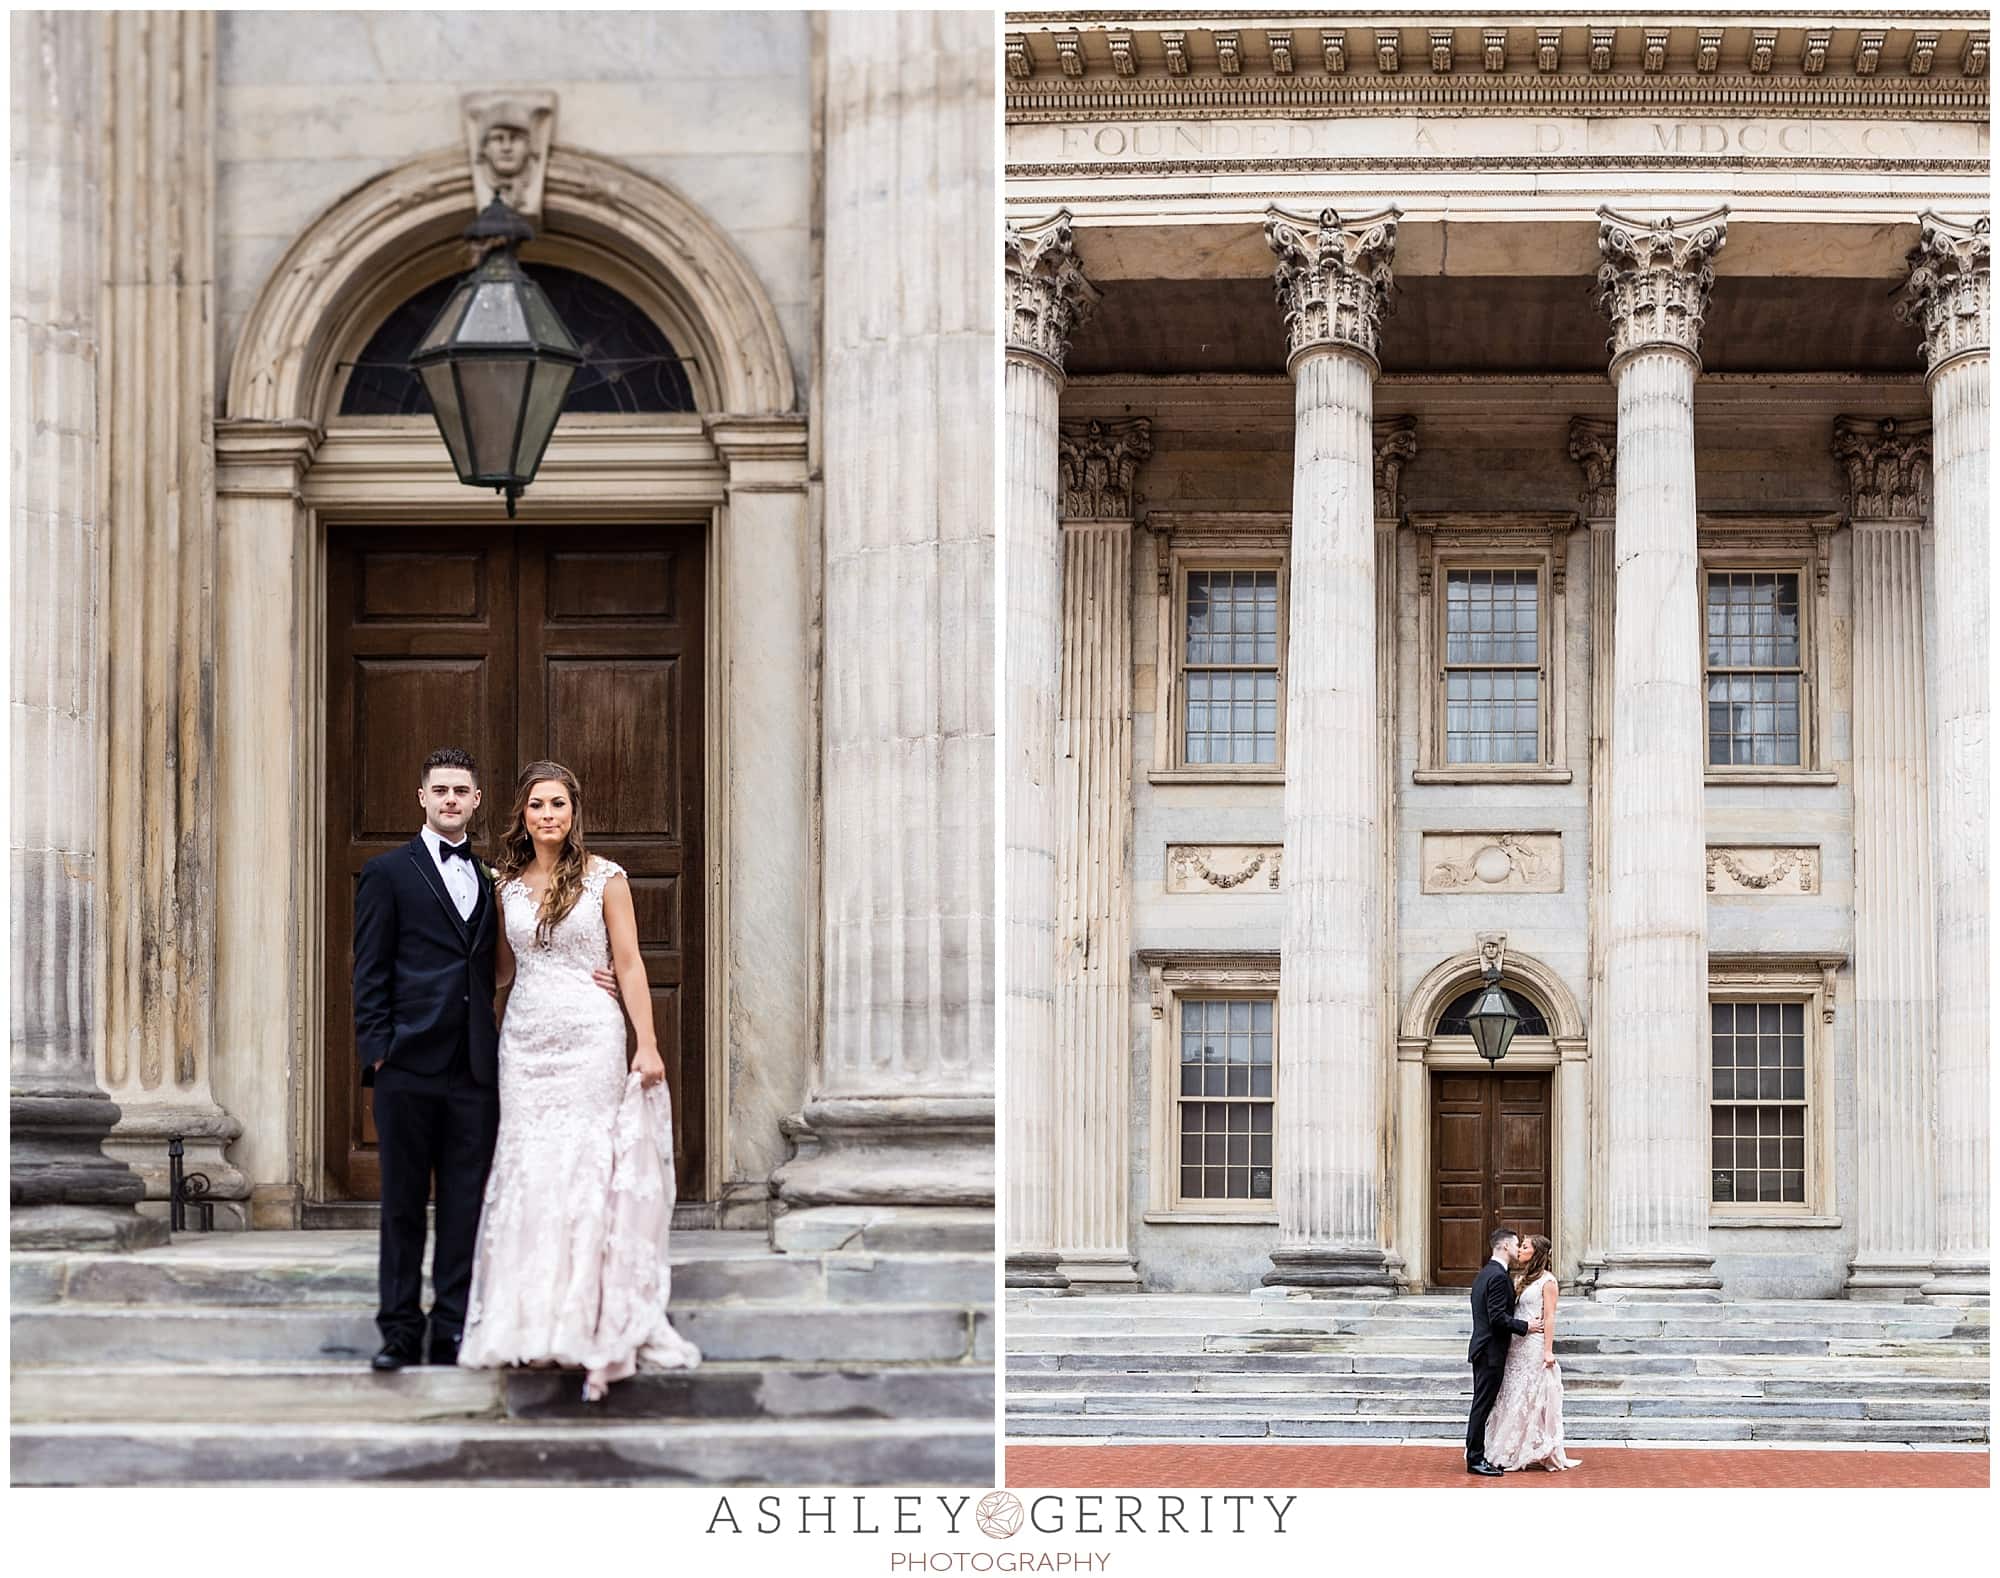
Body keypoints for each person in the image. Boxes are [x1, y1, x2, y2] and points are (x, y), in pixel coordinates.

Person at [458, 760, 700, 1399]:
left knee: (585, 1166)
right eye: (538, 805)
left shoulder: (605, 879)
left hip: (591, 1036)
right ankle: (528, 1320)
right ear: (523, 814)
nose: (548, 815)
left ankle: (584, 1318)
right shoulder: (504, 887)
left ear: (574, 813)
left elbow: (628, 960)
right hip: (527, 1043)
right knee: (530, 1170)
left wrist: (645, 1041)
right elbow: (504, 972)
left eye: (559, 804)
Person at [351, 748, 502, 1371]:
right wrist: (379, 1053)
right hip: (407, 1065)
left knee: (466, 1205)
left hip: (473, 1069)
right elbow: (369, 971)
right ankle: (398, 1331)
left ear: (475, 800)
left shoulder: (492, 878)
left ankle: (452, 1330)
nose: (449, 799)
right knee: (404, 1205)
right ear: (421, 796)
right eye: (439, 789)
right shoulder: (387, 872)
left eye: (461, 790)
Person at [1484, 1234, 1583, 1472]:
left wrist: (1548, 1350)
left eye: (1525, 1246)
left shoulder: (1548, 1282)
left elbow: (1549, 1317)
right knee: (1513, 1392)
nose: (1520, 1249)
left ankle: (1533, 1447)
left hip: (1534, 1345)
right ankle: (1508, 1446)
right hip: (1517, 1345)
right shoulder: (1523, 1278)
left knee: (1528, 1395)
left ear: (1536, 1252)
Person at [1465, 1227, 1540, 1475]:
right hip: (1490, 1351)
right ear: (1505, 1247)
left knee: (1482, 1404)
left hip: (1484, 1349)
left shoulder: (1487, 1273)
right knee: (1482, 1405)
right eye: (1516, 1245)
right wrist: (1526, 1326)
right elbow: (1497, 1318)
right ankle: (1475, 1459)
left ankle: (1476, 1453)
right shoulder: (1497, 1276)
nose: (1518, 1249)